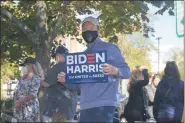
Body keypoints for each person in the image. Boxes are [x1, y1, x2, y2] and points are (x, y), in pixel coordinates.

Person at [58, 16, 131, 122]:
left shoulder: (110, 48)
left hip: (104, 106)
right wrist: (66, 80)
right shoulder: (81, 57)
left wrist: (115, 70)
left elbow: (127, 72)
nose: (88, 31)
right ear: (81, 32)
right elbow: (78, 84)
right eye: (85, 29)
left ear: (98, 29)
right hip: (85, 107)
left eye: (92, 28)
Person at [42, 45, 78, 122]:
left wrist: (39, 79)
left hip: (57, 109)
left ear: (59, 55)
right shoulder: (75, 68)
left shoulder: (58, 67)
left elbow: (46, 84)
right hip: (71, 108)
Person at [13, 57, 44, 122]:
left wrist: (19, 102)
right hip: (19, 108)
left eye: (24, 65)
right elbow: (17, 91)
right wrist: (17, 101)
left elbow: (32, 95)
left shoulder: (35, 79)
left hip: (29, 109)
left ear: (30, 66)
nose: (23, 68)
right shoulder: (22, 78)